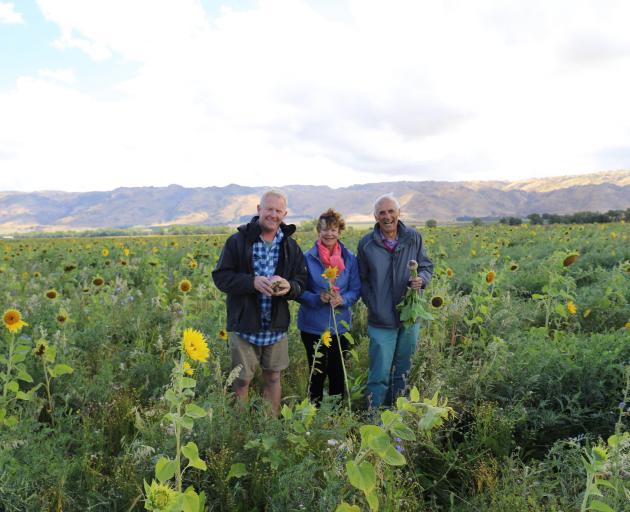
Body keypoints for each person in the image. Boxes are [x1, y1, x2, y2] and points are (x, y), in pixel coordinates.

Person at [212, 190, 307, 417]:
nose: (273, 215)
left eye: (278, 211)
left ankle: (269, 424)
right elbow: (221, 277)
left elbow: (302, 281)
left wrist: (289, 287)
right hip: (244, 325)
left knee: (273, 376)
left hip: (275, 326)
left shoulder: (290, 247)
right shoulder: (238, 241)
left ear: (284, 214)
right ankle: (239, 429)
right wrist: (251, 282)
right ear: (258, 210)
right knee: (242, 380)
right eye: (269, 209)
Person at [357, 193, 433, 409]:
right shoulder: (366, 244)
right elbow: (361, 279)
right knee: (379, 372)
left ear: (399, 213)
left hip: (410, 316)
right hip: (381, 318)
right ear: (375, 216)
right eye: (382, 212)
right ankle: (373, 417)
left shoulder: (414, 238)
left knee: (403, 370)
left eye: (391, 211)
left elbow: (426, 266)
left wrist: (422, 279)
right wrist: (373, 303)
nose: (387, 216)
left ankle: (395, 414)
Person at [297, 208, 361, 405]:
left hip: (340, 325)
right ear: (318, 231)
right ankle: (313, 418)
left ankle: (335, 417)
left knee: (338, 372)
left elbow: (356, 289)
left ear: (339, 231)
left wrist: (344, 299)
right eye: (324, 229)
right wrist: (318, 298)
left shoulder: (349, 258)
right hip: (313, 326)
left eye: (333, 229)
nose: (329, 234)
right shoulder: (307, 258)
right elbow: (298, 291)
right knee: (316, 373)